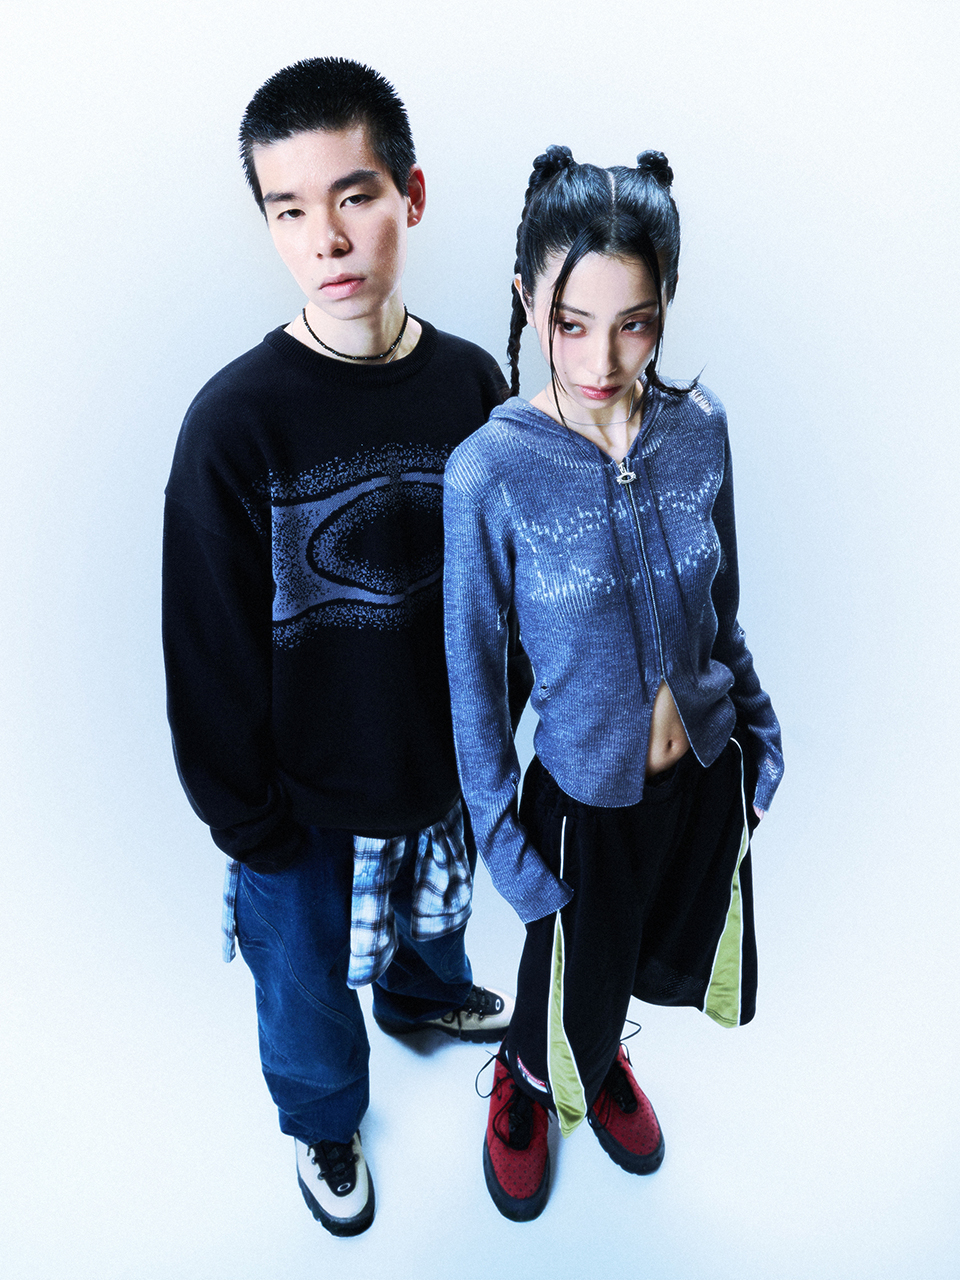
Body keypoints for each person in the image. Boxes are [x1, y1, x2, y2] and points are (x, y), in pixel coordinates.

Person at [162, 57, 524, 1238]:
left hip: (439, 760)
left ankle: (423, 999)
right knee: (305, 982)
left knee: (437, 912)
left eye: (354, 194)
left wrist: (495, 729)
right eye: (289, 209)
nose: (325, 237)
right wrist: (249, 820)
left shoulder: (472, 384)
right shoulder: (235, 423)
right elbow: (206, 648)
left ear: (411, 194)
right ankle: (323, 1119)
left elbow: (508, 580)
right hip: (299, 798)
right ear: (268, 225)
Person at [443, 146, 784, 1221]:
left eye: (635, 323)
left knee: (637, 955)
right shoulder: (489, 471)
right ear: (526, 300)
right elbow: (473, 683)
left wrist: (763, 741)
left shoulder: (701, 428)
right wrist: (504, 843)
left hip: (701, 778)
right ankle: (529, 1077)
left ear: (667, 300)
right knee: (563, 972)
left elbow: (723, 609)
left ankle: (595, 1058)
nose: (603, 358)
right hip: (584, 800)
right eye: (572, 322)